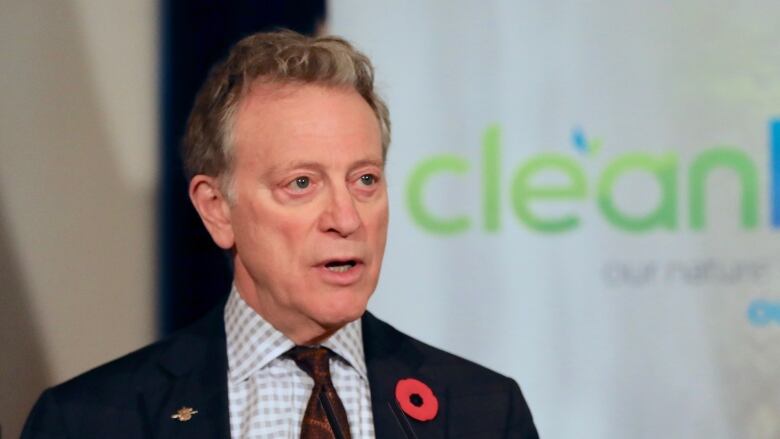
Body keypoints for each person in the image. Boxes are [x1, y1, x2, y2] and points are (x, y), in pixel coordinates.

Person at [22, 30, 538, 438]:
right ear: (218, 209)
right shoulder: (91, 421)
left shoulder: (483, 412)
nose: (347, 217)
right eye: (301, 183)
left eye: (364, 180)